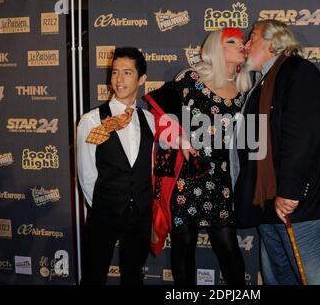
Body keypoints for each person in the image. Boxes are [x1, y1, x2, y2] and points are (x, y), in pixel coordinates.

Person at [232, 20, 320, 285]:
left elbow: (303, 137)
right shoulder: (260, 85)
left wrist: (289, 192)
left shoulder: (300, 73)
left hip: (302, 207)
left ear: (273, 42)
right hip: (268, 209)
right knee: (280, 279)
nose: (246, 44)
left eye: (252, 38)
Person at [143, 28, 249, 285]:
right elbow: (159, 111)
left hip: (223, 182)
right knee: (184, 243)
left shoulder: (245, 92)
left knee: (228, 246)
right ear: (216, 49)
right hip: (187, 178)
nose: (242, 45)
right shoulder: (190, 80)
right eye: (232, 42)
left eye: (243, 41)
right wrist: (178, 137)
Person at [77, 47, 155, 285]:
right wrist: (105, 203)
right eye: (114, 72)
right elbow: (86, 172)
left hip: (140, 214)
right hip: (104, 213)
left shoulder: (149, 119)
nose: (119, 80)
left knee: (134, 275)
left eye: (127, 73)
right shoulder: (91, 120)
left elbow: (148, 165)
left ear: (142, 79)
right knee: (94, 275)